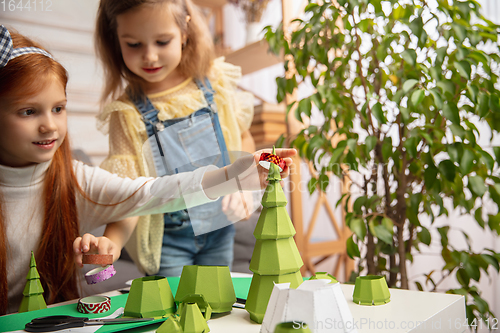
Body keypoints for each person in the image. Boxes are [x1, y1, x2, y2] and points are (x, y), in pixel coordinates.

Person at [0, 26, 295, 315]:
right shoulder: (127, 113)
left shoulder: (75, 179)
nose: (49, 125)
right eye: (28, 111)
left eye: (58, 108)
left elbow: (153, 192)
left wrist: (232, 175)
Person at [95, 0, 258, 277]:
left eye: (162, 41)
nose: (150, 56)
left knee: (218, 306)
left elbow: (243, 140)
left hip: (220, 231)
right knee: (176, 312)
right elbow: (130, 194)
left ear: (184, 32)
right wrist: (113, 242)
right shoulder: (127, 112)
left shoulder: (214, 83)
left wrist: (243, 189)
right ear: (115, 40)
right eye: (134, 44)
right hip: (167, 243)